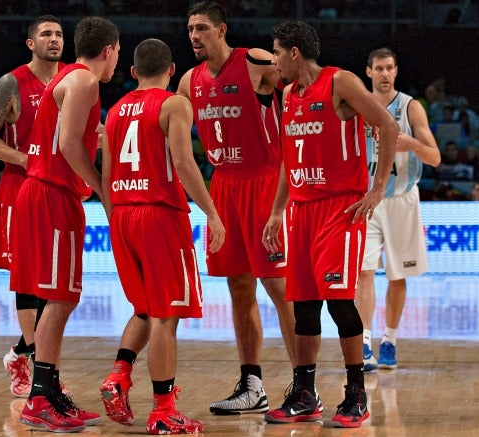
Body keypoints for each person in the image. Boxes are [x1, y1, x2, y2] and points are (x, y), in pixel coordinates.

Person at [263, 20, 398, 427]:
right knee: (303, 307)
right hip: (300, 210)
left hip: (340, 209)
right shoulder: (287, 94)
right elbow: (290, 158)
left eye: (276, 52)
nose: (273, 61)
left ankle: (356, 395)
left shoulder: (341, 83)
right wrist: (276, 211)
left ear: (295, 53)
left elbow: (388, 126)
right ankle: (304, 394)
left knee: (340, 303)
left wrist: (377, 190)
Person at [176, 1, 297, 415]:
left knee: (280, 288)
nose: (194, 34)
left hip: (264, 181)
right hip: (223, 186)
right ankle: (252, 384)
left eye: (202, 27)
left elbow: (304, 85)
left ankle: (304, 384)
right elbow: (172, 134)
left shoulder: (256, 62)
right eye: (190, 28)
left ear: (222, 30)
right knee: (239, 288)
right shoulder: (189, 81)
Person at [99, 38, 225, 435]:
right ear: (173, 70)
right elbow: (185, 164)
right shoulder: (174, 104)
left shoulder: (116, 110)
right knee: (166, 316)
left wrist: (117, 215)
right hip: (159, 214)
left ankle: (119, 375)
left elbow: (105, 173)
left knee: (146, 307)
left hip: (121, 214)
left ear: (133, 72)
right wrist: (213, 214)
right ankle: (164, 409)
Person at [9, 16, 120, 432]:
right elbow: (68, 145)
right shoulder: (85, 82)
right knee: (58, 298)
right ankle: (40, 397)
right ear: (108, 50)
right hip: (52, 194)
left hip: (46, 193)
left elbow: (81, 137)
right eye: (116, 54)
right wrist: (101, 190)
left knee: (61, 297)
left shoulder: (68, 79)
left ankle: (51, 391)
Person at [0, 14, 65, 399]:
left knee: (54, 283)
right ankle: (39, 370)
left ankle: (20, 354)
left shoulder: (72, 79)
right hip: (20, 186)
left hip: (58, 189)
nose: (55, 39)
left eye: (59, 34)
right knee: (28, 279)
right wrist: (26, 159)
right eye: (46, 34)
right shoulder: (11, 83)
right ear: (31, 43)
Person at [354, 48, 441, 373]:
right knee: (363, 273)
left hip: (402, 197)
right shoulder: (357, 103)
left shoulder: (411, 107)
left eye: (390, 67)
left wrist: (413, 144)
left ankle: (389, 339)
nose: (385, 73)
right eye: (379, 68)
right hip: (367, 199)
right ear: (369, 71)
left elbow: (435, 158)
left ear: (396, 70)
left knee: (398, 274)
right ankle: (363, 342)